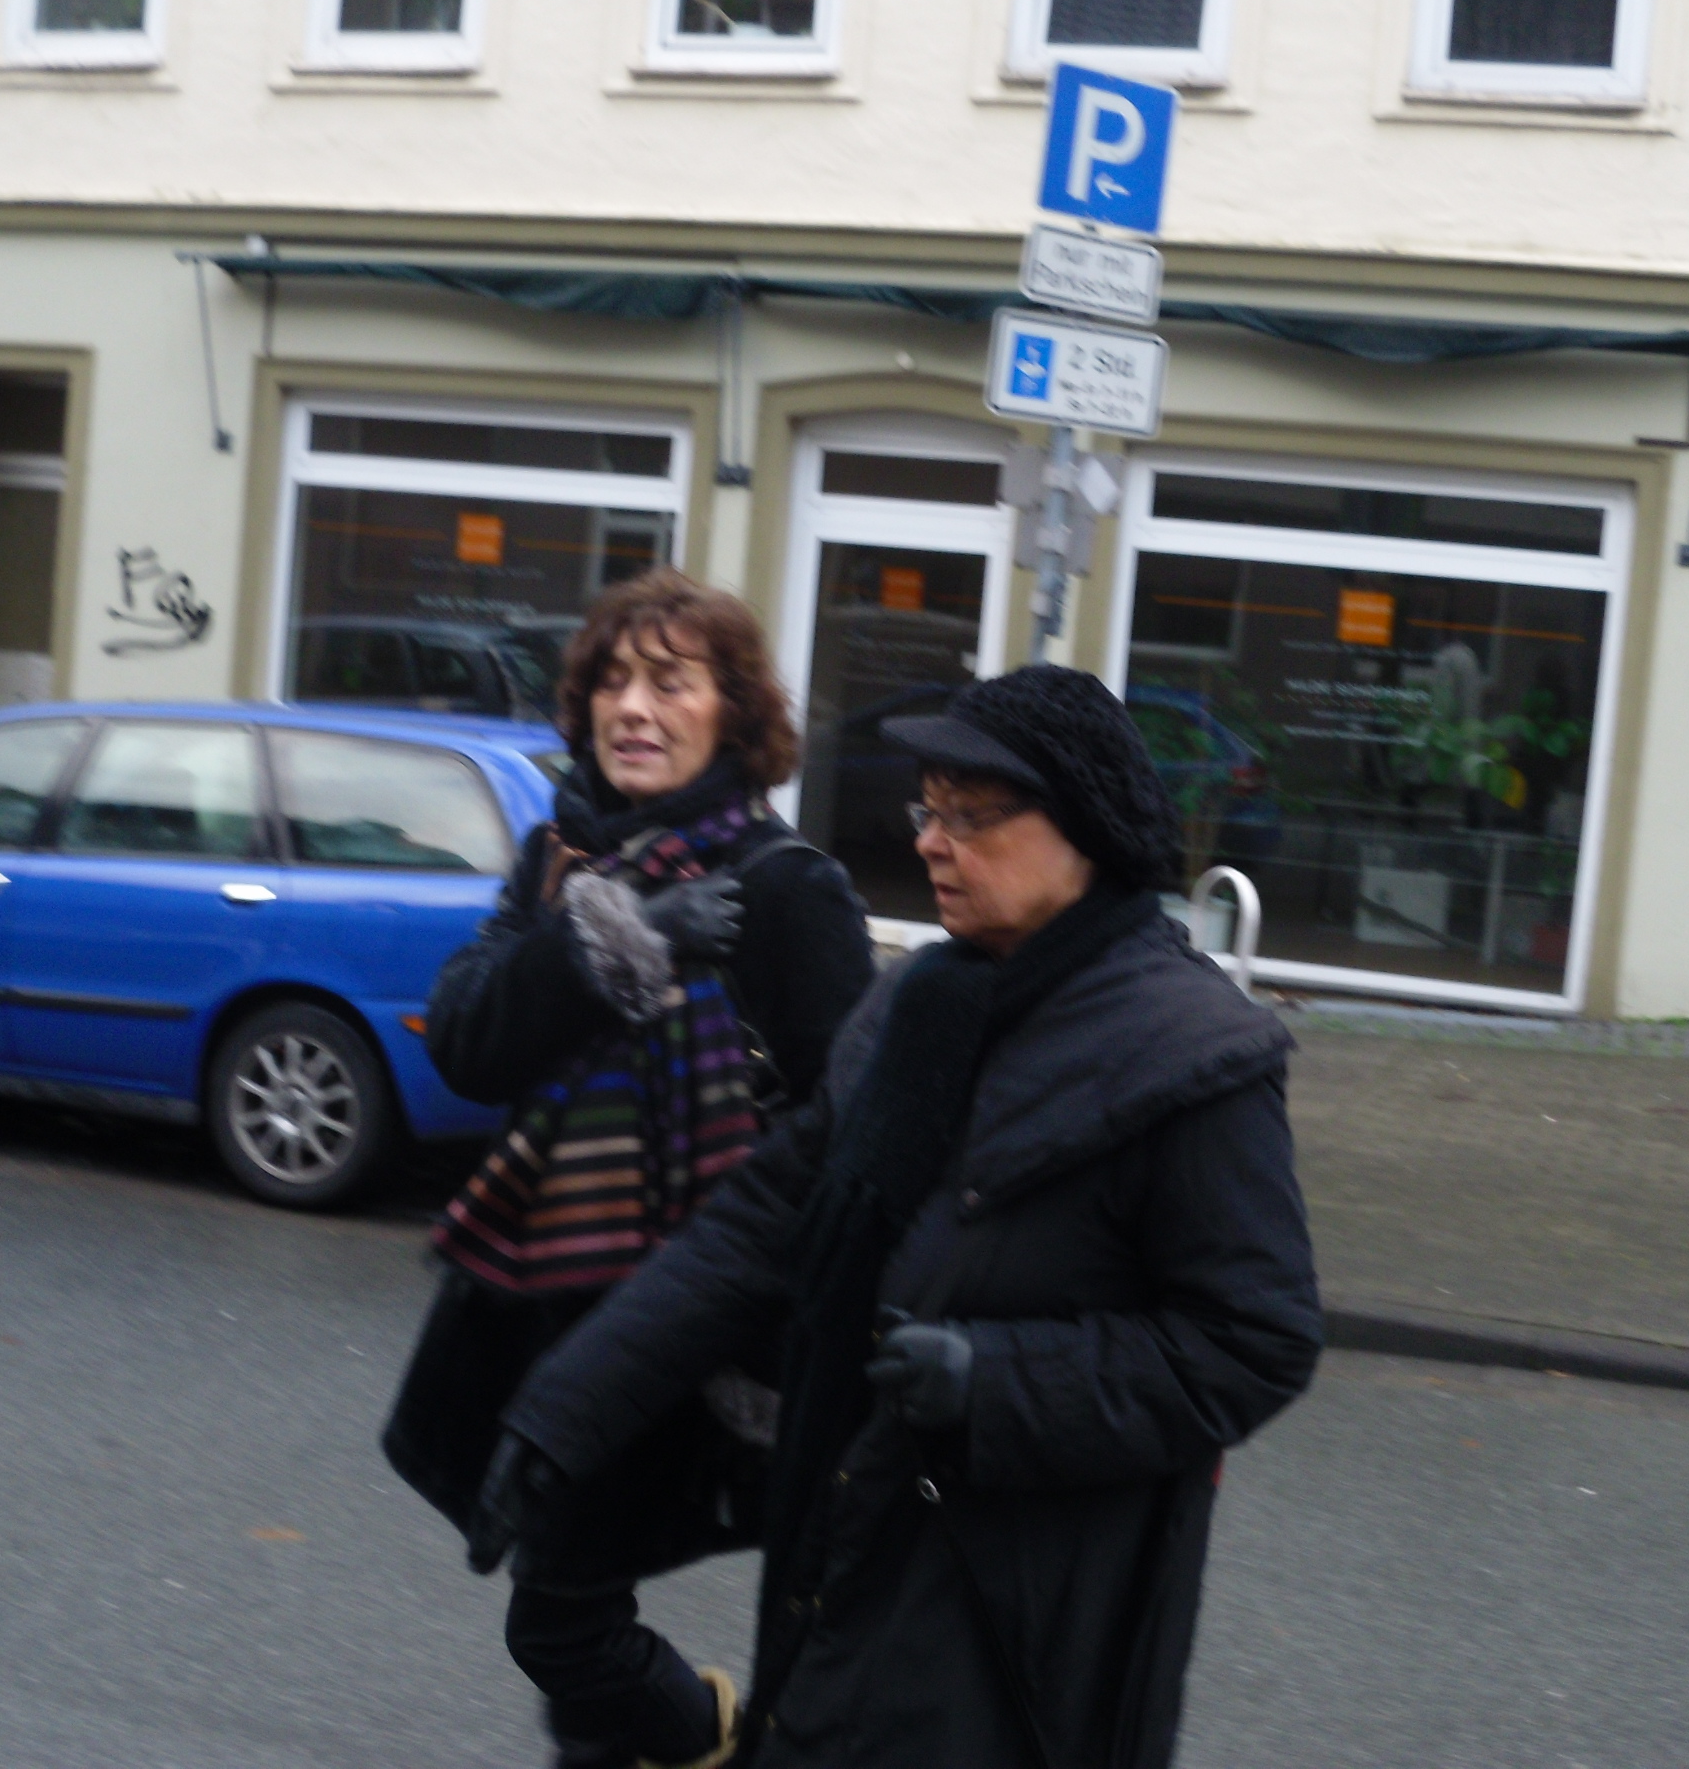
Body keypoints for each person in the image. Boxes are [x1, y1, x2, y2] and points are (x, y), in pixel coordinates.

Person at [469, 665, 1323, 1769]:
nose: (929, 841)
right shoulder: (918, 1003)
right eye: (930, 808)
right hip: (852, 1526)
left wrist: (995, 1382)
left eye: (973, 816)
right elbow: (763, 1219)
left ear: (1089, 833)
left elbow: (1254, 1340)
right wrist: (570, 1405)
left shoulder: (1193, 1057)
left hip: (1016, 1610)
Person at [385, 568, 876, 1769]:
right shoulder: (562, 862)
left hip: (696, 1327)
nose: (634, 708)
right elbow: (467, 1042)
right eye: (612, 681)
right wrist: (623, 940)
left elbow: (854, 1137)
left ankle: (714, 1735)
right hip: (555, 1306)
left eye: (671, 682)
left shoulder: (787, 886)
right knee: (573, 1622)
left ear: (733, 714)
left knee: (563, 1624)